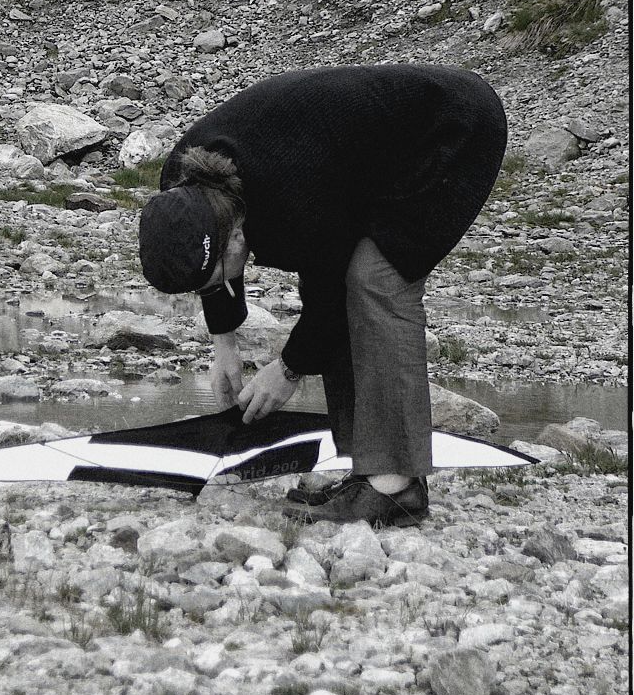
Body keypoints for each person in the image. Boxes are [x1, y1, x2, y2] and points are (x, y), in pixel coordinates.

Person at [138, 64, 508, 527]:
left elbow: (327, 287)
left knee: (374, 281)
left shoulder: (287, 198)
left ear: (236, 237)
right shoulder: (181, 187)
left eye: (212, 277)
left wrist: (288, 368)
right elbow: (215, 269)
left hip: (450, 130)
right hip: (362, 156)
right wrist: (224, 345)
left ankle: (395, 488)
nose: (210, 288)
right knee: (352, 281)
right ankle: (367, 470)